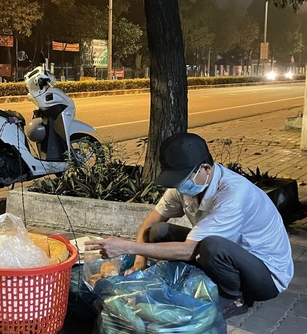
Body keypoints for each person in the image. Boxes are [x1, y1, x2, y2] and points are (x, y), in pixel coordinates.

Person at [86, 132, 294, 319]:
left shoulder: (234, 193)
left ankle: (234, 298)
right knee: (158, 232)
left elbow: (189, 249)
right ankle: (188, 282)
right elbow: (150, 222)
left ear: (205, 168)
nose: (179, 186)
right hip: (228, 256)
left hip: (265, 276)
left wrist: (127, 247)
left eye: (182, 179)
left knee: (212, 246)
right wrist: (140, 262)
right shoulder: (187, 185)